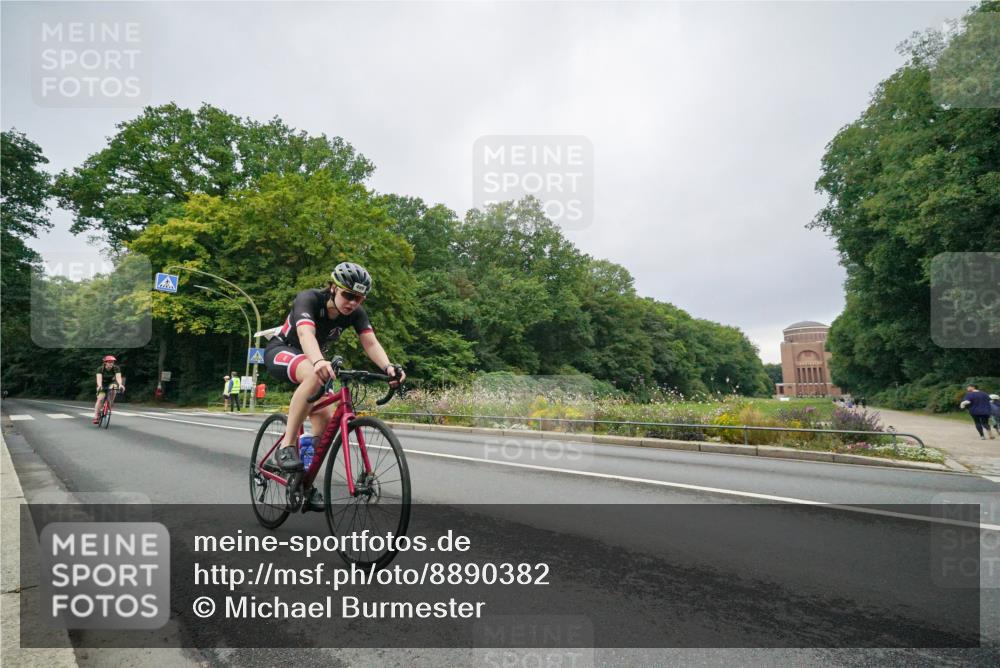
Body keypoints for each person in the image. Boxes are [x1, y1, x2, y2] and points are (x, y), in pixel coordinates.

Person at [263, 262, 404, 510]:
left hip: (313, 359)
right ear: (332, 288)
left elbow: (370, 343)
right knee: (314, 375)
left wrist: (388, 367)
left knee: (326, 418)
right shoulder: (309, 299)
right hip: (283, 350)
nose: (353, 303)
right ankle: (287, 445)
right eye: (348, 295)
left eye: (359, 298)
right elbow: (306, 335)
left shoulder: (355, 313)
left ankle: (303, 481)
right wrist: (318, 361)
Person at [93, 355, 124, 423]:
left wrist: (120, 384)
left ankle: (110, 403)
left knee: (114, 389)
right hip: (102, 383)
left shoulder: (116, 368)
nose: (111, 364)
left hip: (111, 382)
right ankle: (96, 416)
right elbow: (99, 379)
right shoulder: (100, 369)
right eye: (109, 362)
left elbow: (118, 377)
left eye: (112, 362)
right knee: (100, 399)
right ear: (105, 363)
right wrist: (99, 386)